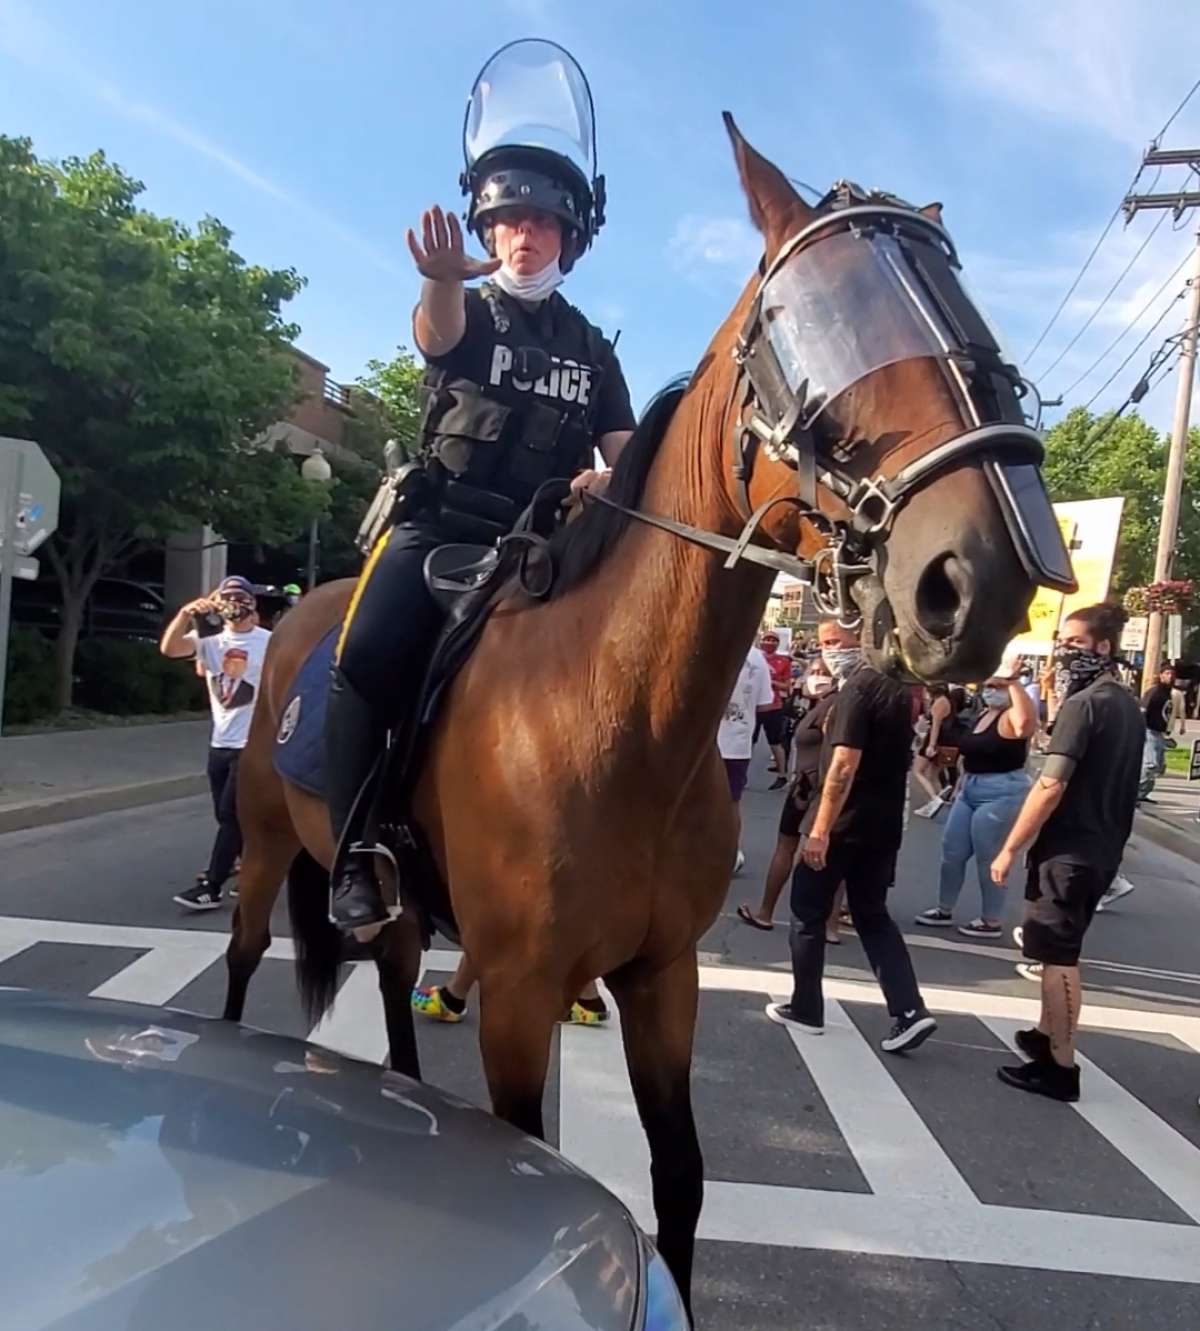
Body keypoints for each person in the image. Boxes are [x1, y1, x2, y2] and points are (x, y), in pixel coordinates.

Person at [325, 55, 635, 935]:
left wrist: (608, 478)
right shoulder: (468, 305)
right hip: (436, 532)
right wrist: (441, 276)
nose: (524, 236)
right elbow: (438, 334)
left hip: (533, 549)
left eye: (540, 222)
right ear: (487, 233)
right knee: (368, 661)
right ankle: (353, 856)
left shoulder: (593, 350)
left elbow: (624, 455)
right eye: (508, 222)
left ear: (568, 239)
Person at [990, 604, 1144, 1102]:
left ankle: (1061, 1066)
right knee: (1055, 947)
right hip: (1101, 846)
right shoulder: (1123, 703)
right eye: (1063, 641)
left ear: (1103, 647)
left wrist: (1012, 847)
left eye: (1075, 643)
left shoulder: (1088, 706)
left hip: (1069, 849)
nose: (1064, 651)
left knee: (1057, 956)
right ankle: (1044, 1034)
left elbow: (1051, 783)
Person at [765, 618, 937, 1053]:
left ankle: (806, 1006)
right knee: (872, 915)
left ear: (861, 642)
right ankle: (909, 1009)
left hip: (842, 823)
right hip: (881, 825)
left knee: (806, 913)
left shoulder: (858, 690)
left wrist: (819, 830)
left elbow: (843, 763)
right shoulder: (895, 688)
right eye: (824, 643)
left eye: (836, 642)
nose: (829, 651)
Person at [160, 576, 271, 910]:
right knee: (227, 816)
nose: (234, 605)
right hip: (220, 741)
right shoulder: (211, 641)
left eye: (240, 598)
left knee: (231, 815)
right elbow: (170, 648)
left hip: (252, 743)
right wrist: (185, 615)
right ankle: (253, 865)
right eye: (227, 599)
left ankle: (212, 885)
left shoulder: (269, 642)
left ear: (253, 605)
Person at [914, 658, 1036, 938]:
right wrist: (961, 780)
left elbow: (1025, 724)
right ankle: (944, 909)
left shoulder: (1012, 716)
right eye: (988, 685)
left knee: (988, 855)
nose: (991, 690)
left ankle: (991, 919)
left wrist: (1013, 681)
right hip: (970, 787)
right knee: (952, 850)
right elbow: (968, 751)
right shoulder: (984, 714)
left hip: (1002, 790)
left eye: (997, 686)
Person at [737, 659, 838, 934]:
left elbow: (836, 756)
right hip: (806, 786)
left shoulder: (832, 709)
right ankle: (824, 925)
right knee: (804, 849)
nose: (816, 677)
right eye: (813, 672)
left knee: (800, 849)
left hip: (813, 788)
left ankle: (774, 914)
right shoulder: (819, 705)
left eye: (823, 673)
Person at [720, 643, 776, 875]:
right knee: (732, 801)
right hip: (736, 741)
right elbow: (766, 703)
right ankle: (731, 853)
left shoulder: (709, 644)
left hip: (701, 742)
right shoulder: (757, 658)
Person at [912, 686, 958, 817]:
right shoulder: (947, 700)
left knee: (918, 770)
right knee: (933, 774)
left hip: (935, 741)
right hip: (944, 740)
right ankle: (939, 802)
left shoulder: (939, 702)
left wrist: (931, 745)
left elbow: (936, 726)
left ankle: (934, 799)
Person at [755, 631, 793, 789]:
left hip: (773, 706)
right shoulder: (755, 658)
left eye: (773, 640)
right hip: (753, 706)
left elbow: (787, 686)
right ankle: (738, 774)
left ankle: (782, 775)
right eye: (767, 639)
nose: (770, 643)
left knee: (775, 742)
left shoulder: (783, 661)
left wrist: (771, 683)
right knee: (748, 741)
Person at [1138, 664, 1176, 802]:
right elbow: (1142, 710)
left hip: (1159, 732)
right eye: (1167, 673)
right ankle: (1135, 794)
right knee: (1150, 764)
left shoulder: (1168, 692)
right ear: (1160, 675)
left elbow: (1166, 713)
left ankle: (1143, 794)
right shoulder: (1154, 692)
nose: (1170, 676)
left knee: (1159, 767)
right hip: (1149, 731)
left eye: (1172, 674)